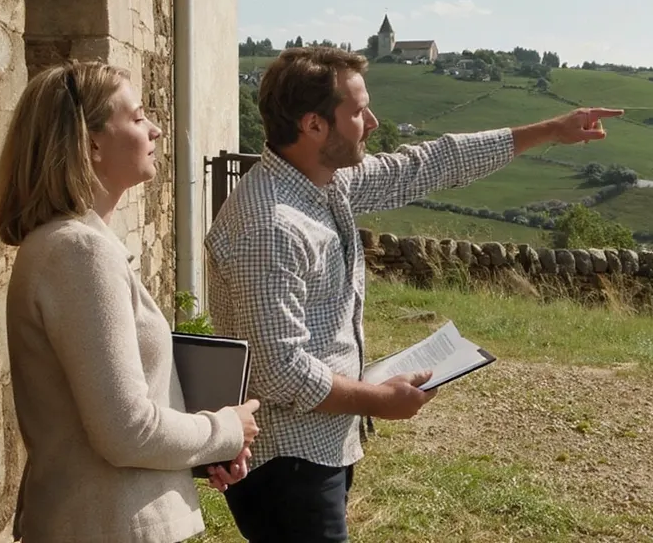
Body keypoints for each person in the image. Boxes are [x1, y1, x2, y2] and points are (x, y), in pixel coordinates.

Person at [204, 46, 623, 541]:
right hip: (288, 463)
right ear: (314, 125)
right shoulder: (270, 224)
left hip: (314, 450)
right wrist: (378, 399)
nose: (374, 121)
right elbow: (281, 371)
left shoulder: (321, 184)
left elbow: (428, 164)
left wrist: (550, 130)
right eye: (358, 111)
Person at [0, 60, 262, 543]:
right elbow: (126, 431)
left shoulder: (76, 246)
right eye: (137, 118)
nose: (155, 128)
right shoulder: (78, 253)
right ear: (90, 142)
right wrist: (225, 429)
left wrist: (204, 449)